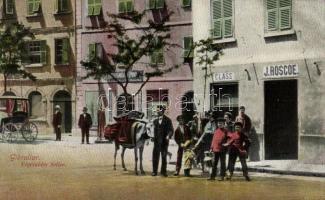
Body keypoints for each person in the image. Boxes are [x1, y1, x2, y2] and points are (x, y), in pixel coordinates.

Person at [152, 105, 174, 177]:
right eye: (157, 110)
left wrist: (168, 135)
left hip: (164, 142)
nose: (157, 112)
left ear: (162, 111)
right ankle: (154, 171)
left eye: (159, 110)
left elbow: (171, 130)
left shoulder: (168, 120)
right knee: (155, 157)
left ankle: (163, 172)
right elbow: (152, 131)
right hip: (156, 142)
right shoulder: (155, 121)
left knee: (164, 157)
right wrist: (152, 137)